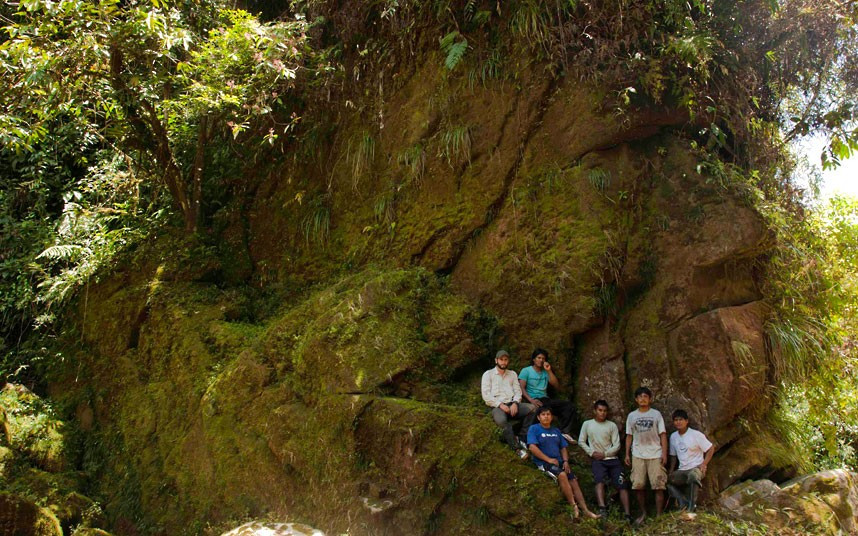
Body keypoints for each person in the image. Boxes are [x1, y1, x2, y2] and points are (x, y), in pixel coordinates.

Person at [527, 406, 601, 520]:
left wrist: (566, 461)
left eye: (548, 414)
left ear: (551, 417)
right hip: (544, 462)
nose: (546, 416)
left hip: (560, 461)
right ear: (538, 417)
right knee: (561, 475)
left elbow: (563, 448)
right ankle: (573, 506)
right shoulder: (534, 429)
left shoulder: (556, 430)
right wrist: (548, 460)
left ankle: (586, 510)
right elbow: (532, 447)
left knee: (574, 480)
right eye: (543, 414)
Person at [579, 400, 631, 520]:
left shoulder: (611, 425)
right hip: (597, 460)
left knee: (622, 483)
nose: (602, 413)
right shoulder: (587, 424)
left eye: (604, 411)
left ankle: (627, 514)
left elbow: (617, 445)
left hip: (612, 459)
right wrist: (592, 453)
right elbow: (581, 441)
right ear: (595, 411)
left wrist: (605, 453)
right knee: (599, 480)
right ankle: (602, 509)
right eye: (600, 410)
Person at [624, 386, 667, 524]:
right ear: (636, 399)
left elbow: (663, 435)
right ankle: (643, 512)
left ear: (650, 399)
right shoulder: (632, 416)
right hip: (638, 454)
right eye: (640, 396)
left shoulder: (656, 414)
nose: (643, 399)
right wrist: (626, 454)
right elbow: (629, 436)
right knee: (638, 485)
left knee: (658, 485)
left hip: (655, 453)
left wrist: (664, 453)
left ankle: (659, 515)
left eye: (645, 396)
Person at [481, 350, 535, 459]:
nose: (503, 362)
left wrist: (515, 403)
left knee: (533, 409)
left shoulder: (512, 374)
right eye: (501, 359)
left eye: (506, 360)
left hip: (512, 403)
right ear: (496, 360)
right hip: (497, 406)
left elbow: (518, 391)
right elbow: (486, 395)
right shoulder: (488, 374)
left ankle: (522, 437)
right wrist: (500, 404)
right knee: (501, 421)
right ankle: (517, 449)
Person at [518, 348, 577, 442]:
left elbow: (556, 385)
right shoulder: (526, 371)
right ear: (534, 359)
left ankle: (564, 431)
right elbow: (521, 387)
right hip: (534, 399)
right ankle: (523, 438)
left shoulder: (545, 372)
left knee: (569, 406)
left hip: (546, 400)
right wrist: (531, 400)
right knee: (537, 409)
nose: (541, 360)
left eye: (543, 358)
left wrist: (549, 370)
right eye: (539, 357)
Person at [667, 409, 714, 513]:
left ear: (686, 421)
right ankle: (682, 502)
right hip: (682, 469)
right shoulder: (673, 437)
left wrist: (704, 464)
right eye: (676, 420)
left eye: (681, 419)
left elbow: (710, 448)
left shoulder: (696, 435)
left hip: (696, 468)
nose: (678, 422)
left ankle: (692, 506)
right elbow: (673, 455)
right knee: (667, 481)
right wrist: (671, 470)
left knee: (693, 476)